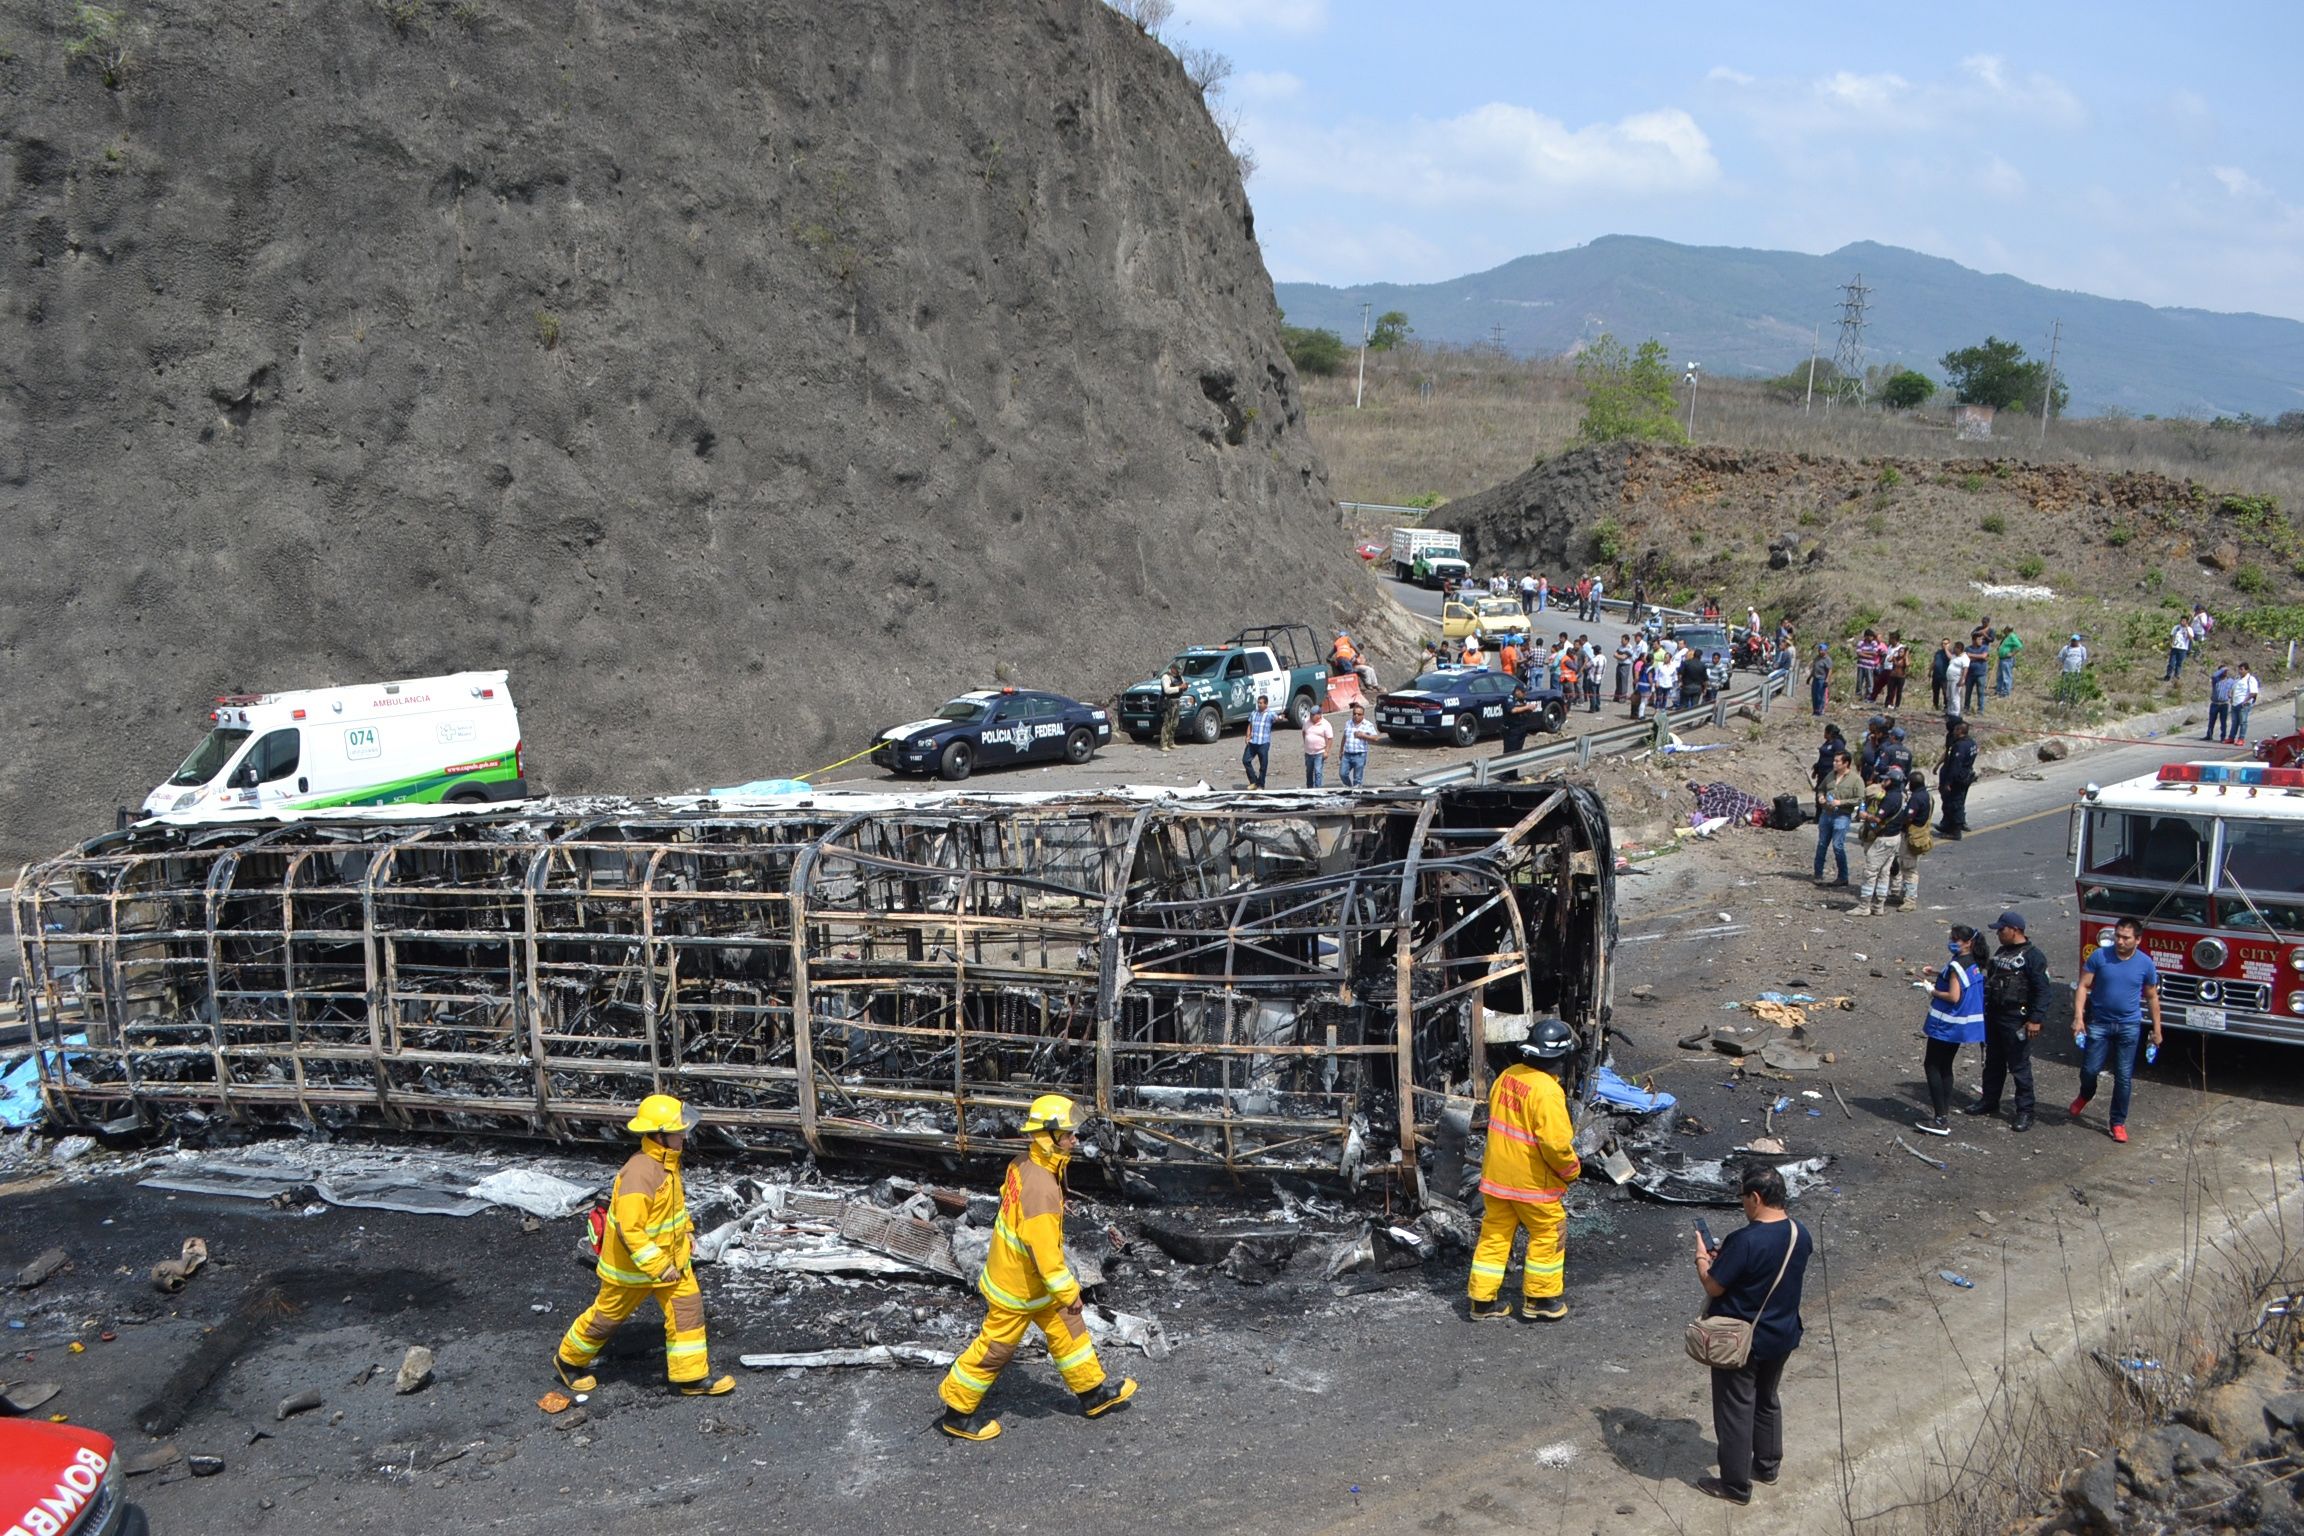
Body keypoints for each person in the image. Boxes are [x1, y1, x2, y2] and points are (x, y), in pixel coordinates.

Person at [937, 1095, 1136, 1440]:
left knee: (1069, 1331)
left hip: (1025, 1280)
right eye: (1069, 1134)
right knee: (994, 1349)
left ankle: (1093, 1394)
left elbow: (1013, 1211)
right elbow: (1044, 1252)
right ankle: (956, 1413)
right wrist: (1070, 1292)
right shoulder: (1042, 1188)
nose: (1075, 1140)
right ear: (1049, 1136)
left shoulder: (1024, 1163)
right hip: (1018, 1288)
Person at [555, 1094, 735, 1399]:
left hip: (671, 1261)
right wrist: (658, 1265)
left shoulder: (666, 1164)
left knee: (686, 1310)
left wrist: (687, 1233)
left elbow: (674, 1211)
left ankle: (691, 1378)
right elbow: (630, 1230)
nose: (684, 1136)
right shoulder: (640, 1173)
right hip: (632, 1269)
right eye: (679, 1132)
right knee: (605, 1318)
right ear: (660, 1135)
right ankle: (568, 1360)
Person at [1693, 1163, 1814, 1507]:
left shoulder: (1744, 1240)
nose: (1743, 1205)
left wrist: (1703, 1259)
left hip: (1741, 1341)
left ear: (1756, 1197)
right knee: (1766, 1399)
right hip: (1782, 1334)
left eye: (1744, 1198)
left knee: (1735, 1409)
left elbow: (1714, 1286)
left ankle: (1734, 1485)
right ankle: (1767, 1466)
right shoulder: (1799, 1232)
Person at [1467, 1018, 1581, 1321]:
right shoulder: (1547, 1092)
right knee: (1548, 1232)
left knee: (1494, 1236)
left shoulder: (1506, 1077)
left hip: (1496, 1178)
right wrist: (1571, 1171)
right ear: (1559, 1057)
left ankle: (1482, 1302)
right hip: (1532, 1184)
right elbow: (1556, 1145)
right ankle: (1541, 1300)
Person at [2070, 917, 2163, 1144]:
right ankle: (2086, 1093)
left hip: (2129, 1026)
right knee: (2090, 1069)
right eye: (2117, 936)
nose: (2120, 941)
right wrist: (2078, 1017)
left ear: (2138, 940)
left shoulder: (2145, 964)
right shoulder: (2100, 956)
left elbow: (2152, 997)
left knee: (2123, 1077)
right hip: (2100, 1023)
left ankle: (2117, 1122)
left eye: (2125, 938)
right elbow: (2083, 985)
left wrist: (2157, 1030)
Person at [1965, 911, 2051, 1132]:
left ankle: (2025, 1111)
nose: (1998, 934)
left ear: (2015, 930)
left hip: (2016, 1018)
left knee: (2019, 1066)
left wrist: (2035, 1020)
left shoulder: (2033, 956)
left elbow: (2042, 991)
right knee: (1993, 1061)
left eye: (2001, 929)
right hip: (1994, 1014)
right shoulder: (2002, 952)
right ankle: (1989, 1100)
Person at [1918, 927, 1989, 1135]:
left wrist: (1932, 990)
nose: (1952, 942)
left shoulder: (1958, 964)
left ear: (1968, 943)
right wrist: (1937, 973)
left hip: (1946, 1024)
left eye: (1955, 939)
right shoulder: (1972, 962)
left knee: (1932, 1065)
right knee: (1946, 1067)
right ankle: (1943, 1113)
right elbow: (1957, 979)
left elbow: (1953, 996)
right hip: (1960, 1027)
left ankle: (1940, 1119)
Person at [1854, 765, 1913, 916]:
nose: (1884, 781)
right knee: (1884, 872)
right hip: (1894, 837)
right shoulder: (1901, 795)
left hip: (1884, 839)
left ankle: (1864, 906)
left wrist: (1865, 815)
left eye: (1886, 779)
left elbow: (1878, 818)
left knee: (1870, 871)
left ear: (1892, 781)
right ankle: (1879, 905)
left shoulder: (1890, 798)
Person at [1813, 748, 1862, 888]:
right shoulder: (1830, 776)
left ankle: (1842, 876)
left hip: (1842, 815)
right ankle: (1818, 874)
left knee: (1837, 846)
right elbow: (1821, 788)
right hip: (1826, 814)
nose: (1834, 763)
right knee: (1822, 844)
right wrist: (1821, 796)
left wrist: (1841, 803)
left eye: (1837, 761)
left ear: (1846, 763)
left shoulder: (1856, 780)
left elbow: (1859, 799)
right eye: (1834, 760)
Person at [1937, 721, 1977, 839]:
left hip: (1958, 779)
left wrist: (1948, 782)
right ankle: (1947, 825)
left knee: (1955, 803)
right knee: (1956, 801)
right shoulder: (1971, 742)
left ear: (1960, 731)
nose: (1954, 732)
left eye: (1956, 730)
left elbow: (1955, 765)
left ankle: (1955, 831)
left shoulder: (1960, 746)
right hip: (1966, 775)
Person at [1241, 693, 1276, 789]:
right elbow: (1250, 725)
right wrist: (1247, 736)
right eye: (1258, 703)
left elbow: (1277, 718)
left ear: (1266, 704)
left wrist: (1281, 718)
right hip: (1253, 742)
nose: (1259, 704)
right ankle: (1253, 781)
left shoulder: (1270, 713)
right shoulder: (1254, 713)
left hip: (1263, 743)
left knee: (1263, 765)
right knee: (1245, 760)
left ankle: (1261, 784)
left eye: (1261, 703)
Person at [1340, 702, 1376, 786]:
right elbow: (1344, 736)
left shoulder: (1368, 725)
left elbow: (1375, 738)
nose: (1356, 716)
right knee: (1343, 774)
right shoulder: (1348, 723)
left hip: (1360, 754)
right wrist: (1341, 750)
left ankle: (1357, 793)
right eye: (1354, 714)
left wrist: (1363, 735)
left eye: (1359, 714)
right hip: (1347, 754)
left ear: (1363, 715)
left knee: (1357, 778)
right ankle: (1349, 787)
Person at [1502, 686, 1546, 751]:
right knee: (1510, 751)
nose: (1524, 694)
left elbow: (1523, 710)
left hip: (1521, 728)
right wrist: (1527, 707)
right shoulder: (1510, 698)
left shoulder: (1522, 699)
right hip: (1512, 729)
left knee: (1519, 750)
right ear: (1517, 691)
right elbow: (1513, 710)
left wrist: (1529, 709)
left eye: (1525, 692)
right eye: (1523, 692)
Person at [1300, 706, 1334, 788]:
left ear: (1319, 715)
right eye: (1310, 715)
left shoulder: (1325, 724)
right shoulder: (1306, 721)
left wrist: (1326, 751)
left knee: (1318, 771)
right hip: (1308, 752)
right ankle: (1309, 788)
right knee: (1309, 771)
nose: (1311, 717)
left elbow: (1330, 739)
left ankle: (1318, 788)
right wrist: (1306, 743)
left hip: (1319, 752)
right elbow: (1304, 732)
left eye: (1313, 715)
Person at [2227, 663, 2260, 744]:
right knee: (2235, 722)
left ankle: (2241, 738)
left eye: (2242, 669)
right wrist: (2231, 696)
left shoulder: (2251, 679)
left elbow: (2253, 692)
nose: (2240, 671)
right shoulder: (2237, 679)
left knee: (2243, 722)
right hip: (2235, 703)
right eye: (2239, 669)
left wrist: (2245, 701)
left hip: (2244, 704)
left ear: (2247, 670)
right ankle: (2231, 738)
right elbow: (2234, 689)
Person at [2055, 634, 2090, 706]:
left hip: (2076, 671)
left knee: (2075, 686)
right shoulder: (2066, 648)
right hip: (2067, 670)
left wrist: (2080, 666)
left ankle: (2073, 701)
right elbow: (2060, 657)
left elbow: (2084, 659)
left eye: (2075, 640)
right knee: (2064, 685)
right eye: (2072, 640)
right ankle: (2063, 699)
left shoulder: (2082, 649)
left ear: (2078, 641)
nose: (2073, 642)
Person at [2205, 662, 2234, 743]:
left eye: (2225, 671)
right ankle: (2209, 735)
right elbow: (2214, 675)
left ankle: (2223, 737)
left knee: (2223, 722)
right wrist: (2222, 669)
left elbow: (2234, 689)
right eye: (2223, 671)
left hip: (2224, 704)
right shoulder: (2216, 680)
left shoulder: (2230, 681)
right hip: (2214, 703)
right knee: (2211, 721)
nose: (2225, 672)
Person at [1157, 664, 1184, 752]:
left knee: (1175, 723)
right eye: (1177, 670)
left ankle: (1171, 742)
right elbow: (1167, 690)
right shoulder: (1166, 677)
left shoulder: (1179, 677)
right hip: (1168, 701)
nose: (1178, 672)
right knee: (1167, 723)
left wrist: (1184, 687)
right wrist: (1179, 687)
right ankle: (1164, 744)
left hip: (1177, 700)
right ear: (1172, 669)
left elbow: (1182, 685)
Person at [1963, 629, 1989, 716]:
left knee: (1980, 692)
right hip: (1970, 674)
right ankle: (1966, 708)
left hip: (1981, 674)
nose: (1981, 641)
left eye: (1982, 639)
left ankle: (1980, 710)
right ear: (1974, 640)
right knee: (1968, 692)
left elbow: (1984, 656)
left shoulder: (1984, 647)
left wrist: (1971, 655)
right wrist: (1979, 657)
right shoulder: (1968, 648)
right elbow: (1966, 658)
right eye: (1979, 639)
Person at [1881, 632, 1909, 708]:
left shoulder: (1904, 659)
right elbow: (1889, 659)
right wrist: (1894, 654)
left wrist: (1906, 655)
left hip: (1901, 677)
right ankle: (1887, 704)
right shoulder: (1895, 658)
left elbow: (1907, 664)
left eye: (1902, 652)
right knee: (1890, 690)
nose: (1900, 653)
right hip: (1892, 675)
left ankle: (1897, 705)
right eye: (1899, 651)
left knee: (1899, 692)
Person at [1855, 629, 1882, 703]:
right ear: (1866, 636)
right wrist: (1869, 655)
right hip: (1861, 665)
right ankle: (1858, 695)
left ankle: (1869, 695)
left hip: (1869, 666)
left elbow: (1874, 653)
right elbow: (1858, 653)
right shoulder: (1860, 643)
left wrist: (1863, 652)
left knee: (1869, 681)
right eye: (1870, 636)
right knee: (1859, 681)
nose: (1872, 638)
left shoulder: (1874, 643)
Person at [2163, 615, 2193, 683]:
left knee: (2179, 663)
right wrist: (2171, 643)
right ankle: (2168, 675)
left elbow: (2190, 638)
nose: (2182, 622)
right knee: (2171, 662)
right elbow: (2171, 635)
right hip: (2175, 647)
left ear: (2187, 621)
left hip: (2183, 648)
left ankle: (2176, 675)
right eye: (2181, 620)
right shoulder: (2176, 627)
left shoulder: (2189, 629)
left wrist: (2187, 628)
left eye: (2184, 621)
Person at [1994, 627, 2022, 697]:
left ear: (2008, 629)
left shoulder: (2012, 636)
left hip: (2007, 660)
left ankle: (2005, 692)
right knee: (2000, 676)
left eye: (2005, 629)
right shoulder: (2006, 636)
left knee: (2006, 676)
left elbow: (2019, 646)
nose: (2003, 630)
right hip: (2002, 659)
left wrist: (2012, 654)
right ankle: (1999, 690)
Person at [1929, 637, 1953, 710]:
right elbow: (1934, 662)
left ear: (1949, 644)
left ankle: (1946, 706)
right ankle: (1935, 705)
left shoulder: (1951, 652)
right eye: (1942, 643)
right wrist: (1930, 671)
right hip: (1936, 675)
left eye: (1946, 643)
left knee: (1945, 692)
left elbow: (1951, 658)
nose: (1943, 645)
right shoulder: (1938, 652)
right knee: (1935, 691)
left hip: (1945, 676)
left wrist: (1946, 649)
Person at [1809, 643, 1831, 717]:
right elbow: (1814, 668)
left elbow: (1829, 670)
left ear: (1825, 651)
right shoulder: (1817, 658)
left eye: (1821, 650)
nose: (1820, 651)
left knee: (1820, 696)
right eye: (1819, 650)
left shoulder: (1827, 659)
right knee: (1814, 695)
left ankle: (1820, 711)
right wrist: (1809, 677)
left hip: (1822, 679)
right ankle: (1815, 710)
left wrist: (1827, 680)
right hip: (1815, 678)